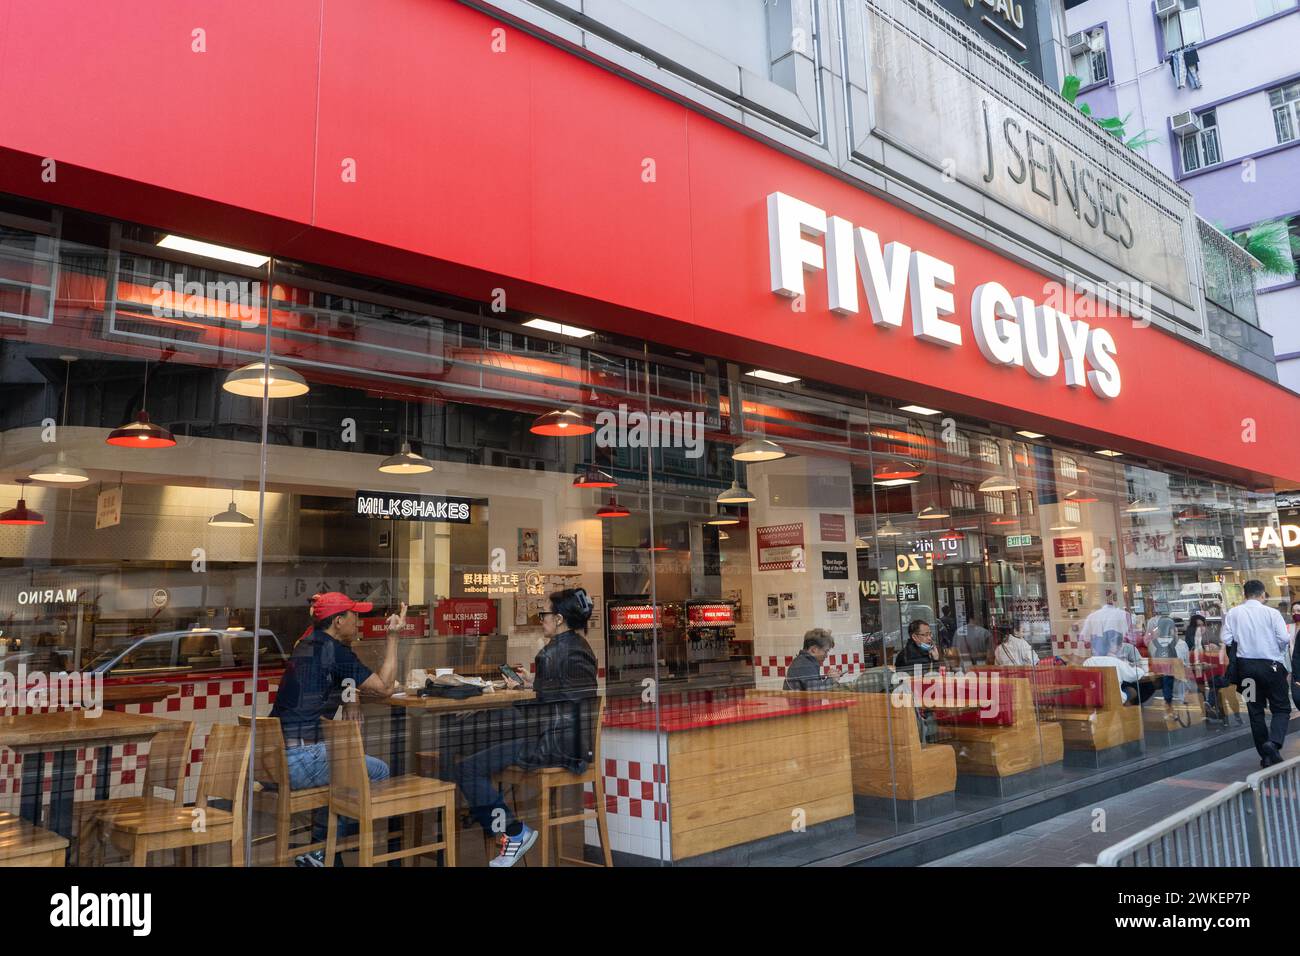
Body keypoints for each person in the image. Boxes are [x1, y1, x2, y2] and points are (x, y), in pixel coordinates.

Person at [456, 587, 598, 867]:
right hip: (577, 745)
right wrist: (534, 685)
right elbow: (564, 693)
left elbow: (538, 712)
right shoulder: (582, 649)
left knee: (467, 767)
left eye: (543, 613)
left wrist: (517, 698)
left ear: (558, 619)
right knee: (485, 753)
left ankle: (513, 832)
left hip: (551, 746)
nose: (540, 619)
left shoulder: (550, 654)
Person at [270, 592, 404, 866]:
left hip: (271, 761)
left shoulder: (305, 643)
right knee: (377, 771)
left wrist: (352, 697)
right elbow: (384, 687)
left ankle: (325, 852)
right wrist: (393, 637)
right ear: (339, 621)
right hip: (300, 761)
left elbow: (332, 678)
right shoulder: (336, 651)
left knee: (338, 784)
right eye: (355, 616)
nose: (359, 622)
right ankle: (321, 851)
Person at [1221, 580, 1292, 767]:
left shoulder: (1233, 613)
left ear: (1245, 594)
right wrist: (1278, 651)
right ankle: (1274, 743)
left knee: (1255, 710)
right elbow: (1284, 638)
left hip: (1246, 670)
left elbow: (1226, 638)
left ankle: (1265, 755)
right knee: (1281, 707)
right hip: (1272, 668)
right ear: (1262, 595)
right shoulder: (1272, 613)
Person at [1084, 631, 1152, 705]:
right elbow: (1133, 675)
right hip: (1114, 698)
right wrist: (1140, 669)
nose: (1120, 646)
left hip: (1092, 699)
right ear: (1109, 645)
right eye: (1118, 643)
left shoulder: (1088, 661)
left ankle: (1124, 712)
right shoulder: (1115, 661)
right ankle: (1126, 713)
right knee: (1132, 691)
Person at [1146, 615, 1190, 712]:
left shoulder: (1152, 644)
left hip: (1158, 678)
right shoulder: (1181, 644)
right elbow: (1186, 664)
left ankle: (1169, 704)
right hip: (1177, 679)